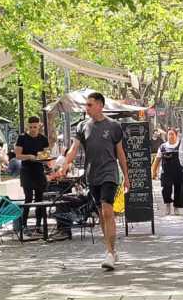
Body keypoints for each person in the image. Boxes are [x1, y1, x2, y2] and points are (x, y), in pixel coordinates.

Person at [58, 92, 129, 270]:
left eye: (90, 105)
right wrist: (65, 164)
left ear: (100, 105)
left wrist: (127, 176)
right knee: (101, 215)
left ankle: (110, 254)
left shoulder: (114, 126)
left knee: (107, 211)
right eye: (86, 105)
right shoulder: (82, 127)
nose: (86, 108)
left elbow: (120, 153)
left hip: (110, 174)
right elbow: (74, 148)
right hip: (92, 175)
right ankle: (111, 248)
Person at [16, 116, 51, 231]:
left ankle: (38, 224)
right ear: (28, 126)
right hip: (26, 171)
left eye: (35, 127)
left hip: (39, 170)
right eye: (30, 127)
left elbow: (46, 155)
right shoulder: (22, 138)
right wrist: (28, 156)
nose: (33, 129)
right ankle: (24, 224)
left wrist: (44, 158)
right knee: (28, 198)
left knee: (40, 199)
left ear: (39, 125)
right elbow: (18, 155)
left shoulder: (43, 139)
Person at [151, 128, 183, 216]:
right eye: (169, 134)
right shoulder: (162, 147)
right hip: (166, 172)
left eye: (172, 134)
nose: (170, 136)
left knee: (179, 189)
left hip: (179, 171)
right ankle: (168, 205)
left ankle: (176, 207)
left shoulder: (181, 145)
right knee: (166, 189)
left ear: (176, 135)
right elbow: (157, 160)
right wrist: (153, 171)